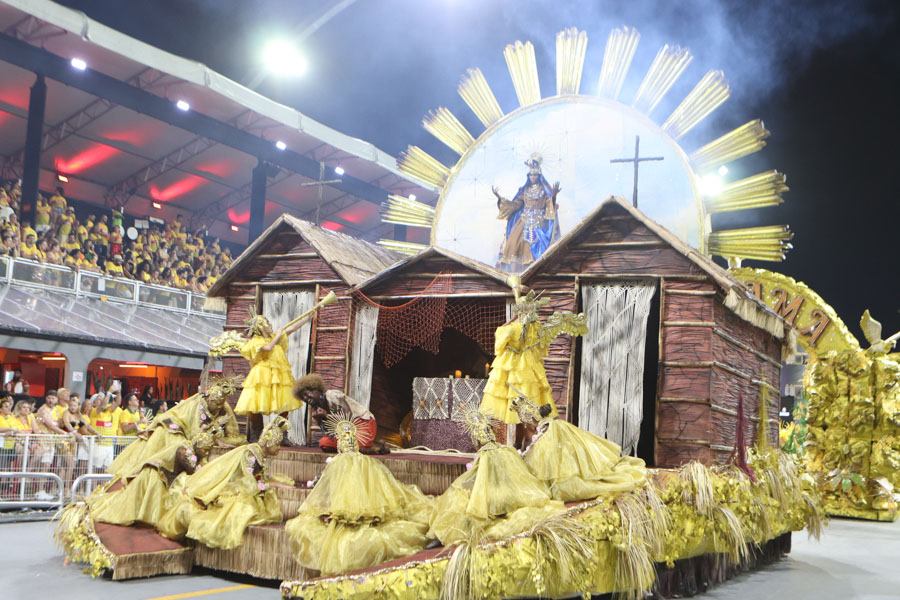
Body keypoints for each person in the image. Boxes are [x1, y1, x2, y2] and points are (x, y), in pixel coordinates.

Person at [285, 413, 433, 575]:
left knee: (306, 528)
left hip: (344, 516)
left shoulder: (338, 463)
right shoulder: (368, 461)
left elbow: (327, 492)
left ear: (340, 447)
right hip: (370, 513)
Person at [429, 408, 565, 546]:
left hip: (494, 499)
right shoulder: (505, 450)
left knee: (461, 503)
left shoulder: (485, 456)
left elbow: (475, 478)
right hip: (510, 495)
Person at [157, 416, 292, 549]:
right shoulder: (252, 454)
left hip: (241, 485)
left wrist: (263, 485)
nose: (279, 448)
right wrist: (262, 487)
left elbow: (255, 477)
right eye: (277, 444)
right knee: (244, 508)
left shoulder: (258, 454)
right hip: (234, 486)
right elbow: (246, 479)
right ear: (268, 443)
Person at [479, 284, 586, 432]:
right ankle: (528, 439)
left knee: (514, 402)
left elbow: (499, 337)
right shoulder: (536, 329)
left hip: (515, 368)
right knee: (530, 404)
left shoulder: (512, 329)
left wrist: (512, 319)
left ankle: (525, 439)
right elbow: (542, 349)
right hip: (530, 368)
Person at [510, 392, 648, 502]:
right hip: (568, 463)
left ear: (529, 420)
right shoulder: (552, 426)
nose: (525, 426)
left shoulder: (546, 433)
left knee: (568, 486)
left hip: (566, 471)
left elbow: (541, 456)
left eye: (525, 423)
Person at [108, 375, 244, 479]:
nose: (216, 407)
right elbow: (195, 431)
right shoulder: (196, 405)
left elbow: (229, 430)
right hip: (178, 433)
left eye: (219, 404)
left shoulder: (224, 409)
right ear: (209, 398)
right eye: (214, 403)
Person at [231, 311, 306, 442]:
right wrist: (277, 335)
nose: (270, 325)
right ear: (260, 327)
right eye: (267, 324)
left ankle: (281, 434)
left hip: (278, 373)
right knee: (256, 403)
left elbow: (292, 328)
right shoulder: (256, 341)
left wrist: (308, 316)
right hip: (262, 375)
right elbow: (268, 348)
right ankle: (256, 434)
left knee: (284, 402)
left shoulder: (274, 337)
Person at [492, 153, 561, 272]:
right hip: (522, 222)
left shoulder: (544, 191)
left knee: (532, 247)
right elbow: (516, 204)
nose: (532, 177)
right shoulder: (525, 190)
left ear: (539, 176)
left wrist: (553, 196)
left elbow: (549, 205)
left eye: (535, 175)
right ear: (528, 176)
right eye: (530, 175)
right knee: (513, 244)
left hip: (538, 223)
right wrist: (500, 198)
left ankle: (533, 273)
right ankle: (514, 274)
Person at [293, 373, 387, 454]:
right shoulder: (318, 408)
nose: (305, 398)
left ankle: (376, 446)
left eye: (306, 393)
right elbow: (330, 433)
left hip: (362, 422)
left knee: (349, 445)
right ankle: (370, 445)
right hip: (347, 434)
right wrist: (319, 420)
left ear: (315, 389)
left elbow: (348, 418)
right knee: (324, 443)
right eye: (302, 398)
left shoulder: (332, 395)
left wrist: (326, 415)